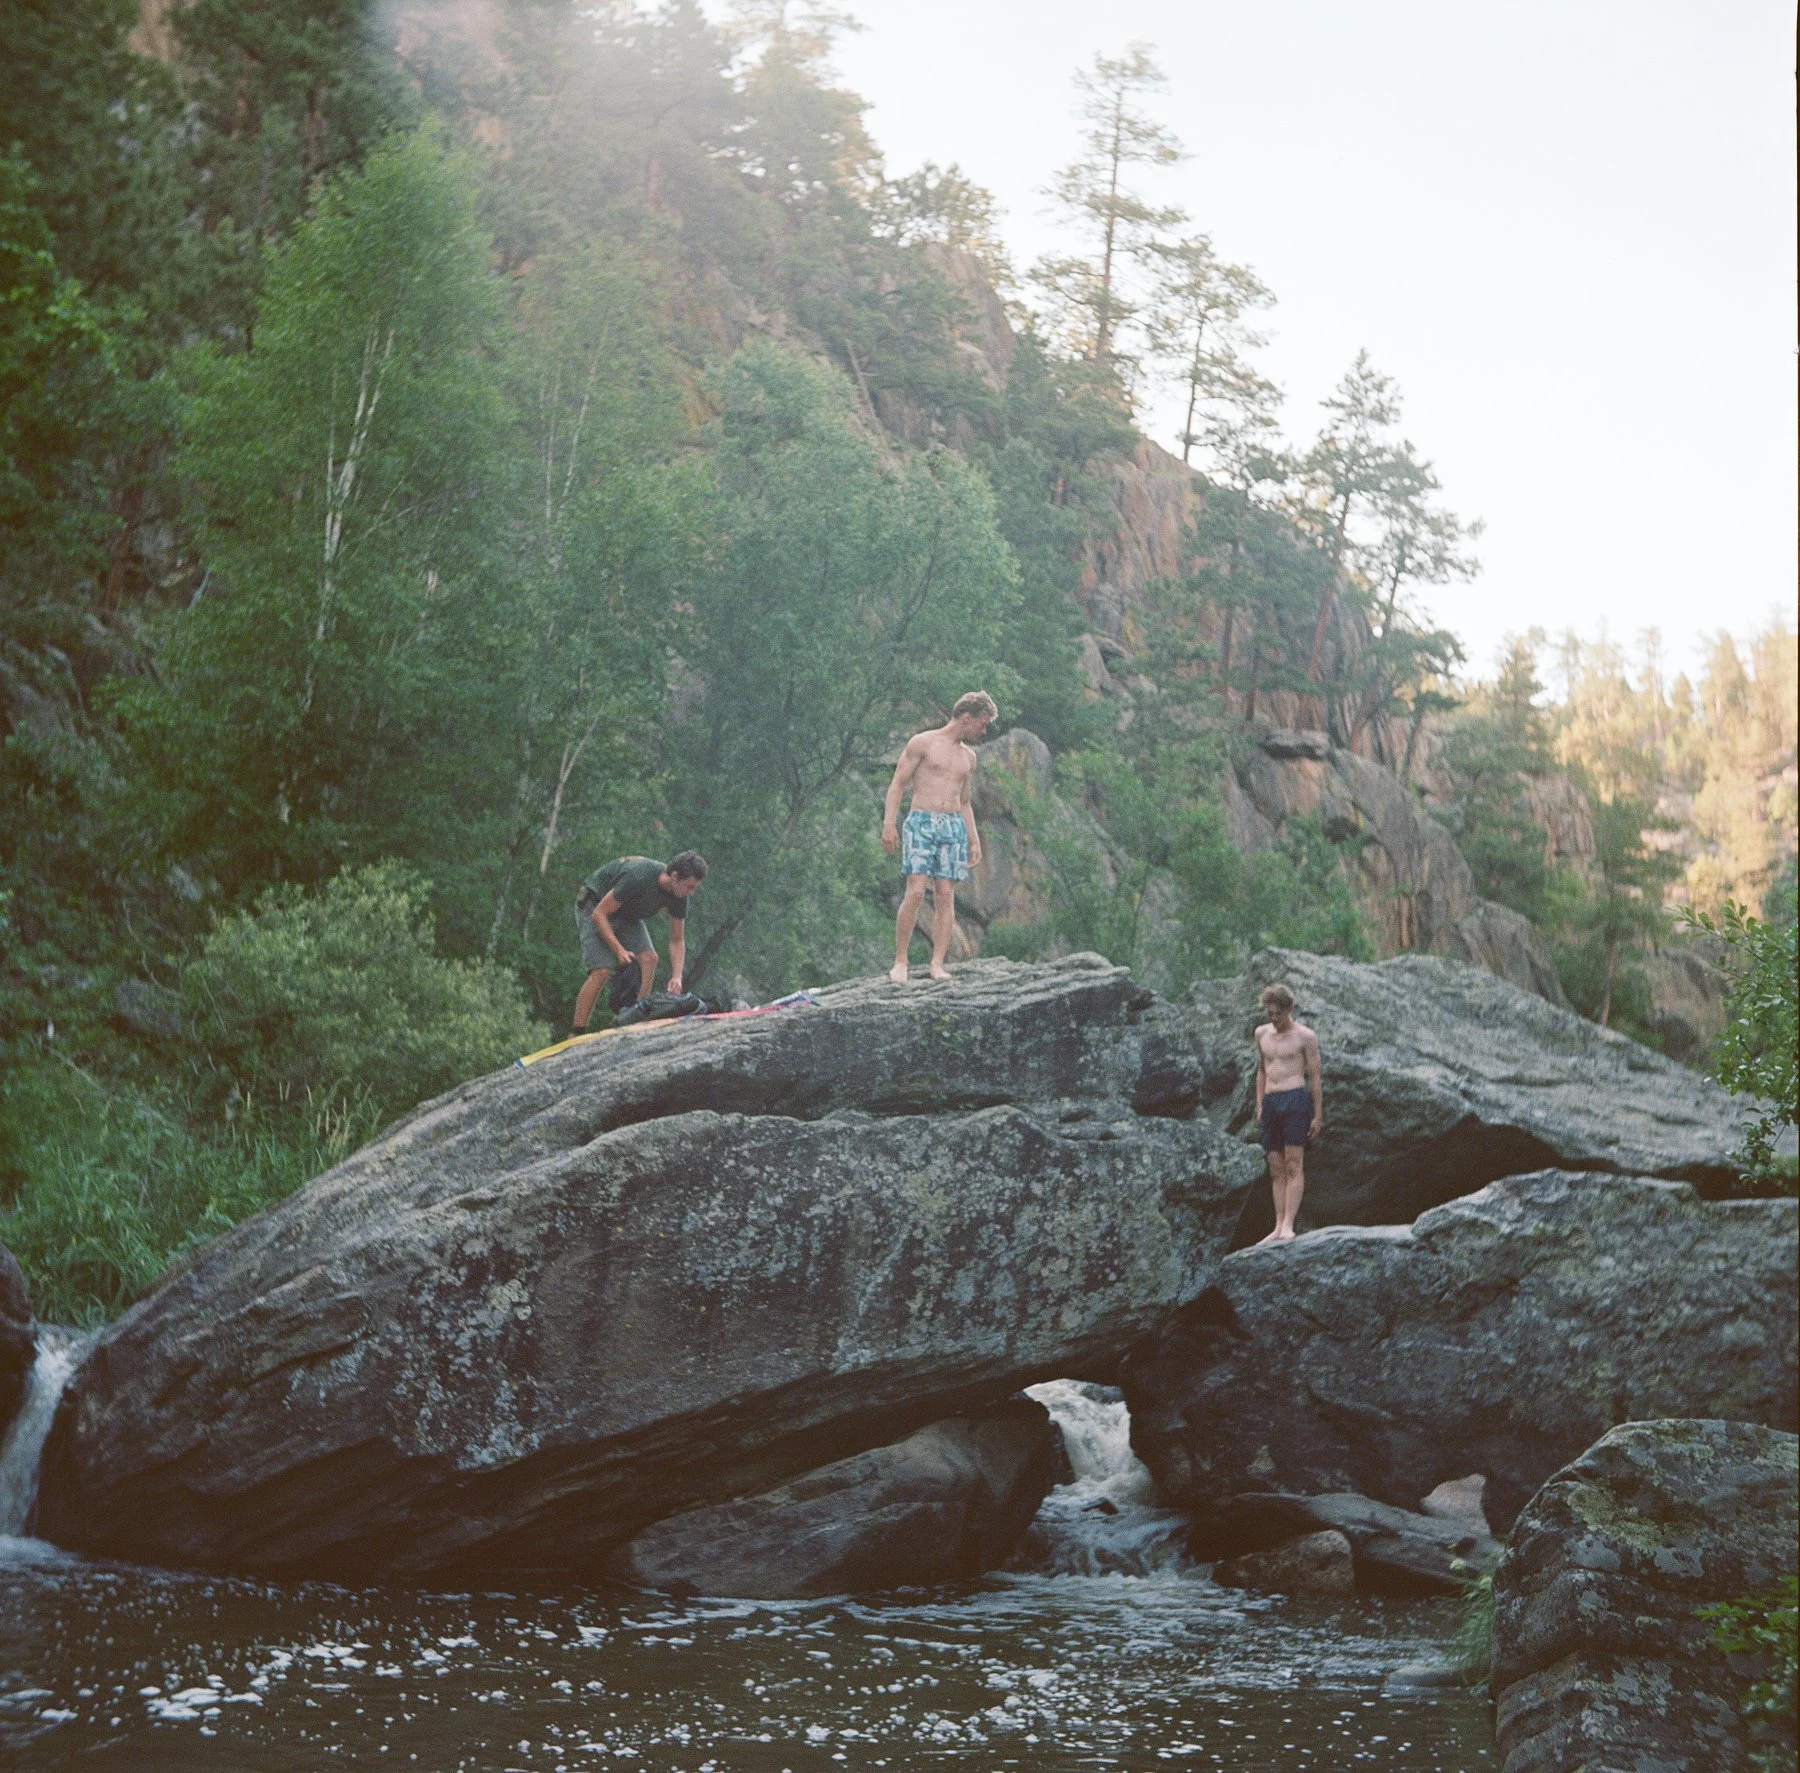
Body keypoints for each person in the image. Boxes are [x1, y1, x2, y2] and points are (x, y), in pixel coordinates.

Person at [881, 691, 996, 982]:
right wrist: (889, 824)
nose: (983, 731)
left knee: (946, 895)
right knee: (916, 891)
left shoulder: (968, 757)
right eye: (982, 724)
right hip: (921, 821)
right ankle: (901, 962)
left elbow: (966, 801)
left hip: (952, 825)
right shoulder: (923, 743)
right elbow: (897, 784)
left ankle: (937, 964)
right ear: (966, 717)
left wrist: (974, 839)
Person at [571, 851, 707, 1035]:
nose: (691, 893)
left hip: (626, 913)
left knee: (649, 958)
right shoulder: (638, 875)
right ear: (674, 876)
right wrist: (619, 950)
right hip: (594, 905)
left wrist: (677, 977)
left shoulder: (679, 895)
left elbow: (677, 939)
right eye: (690, 887)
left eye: (695, 888)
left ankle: (636, 1016)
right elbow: (599, 915)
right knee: (601, 971)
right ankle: (576, 1031)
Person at [1253, 982, 1322, 1243]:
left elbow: (1315, 1077)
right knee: (1275, 1166)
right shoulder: (1261, 1034)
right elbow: (1261, 1070)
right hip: (1271, 1101)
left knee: (1294, 1163)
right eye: (1269, 1013)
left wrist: (1318, 1115)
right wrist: (1260, 1103)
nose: (1273, 1019)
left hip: (1295, 1100)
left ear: (1289, 1009)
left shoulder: (1305, 1037)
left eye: (1278, 1014)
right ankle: (1277, 1224)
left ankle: (1289, 1225)